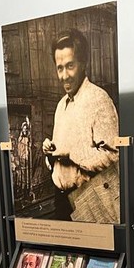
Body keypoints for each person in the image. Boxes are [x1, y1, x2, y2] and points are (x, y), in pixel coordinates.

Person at [41, 29, 121, 223]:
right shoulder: (61, 105)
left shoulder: (99, 98)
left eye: (70, 66)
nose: (64, 76)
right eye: (60, 68)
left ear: (83, 63)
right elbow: (59, 155)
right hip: (61, 201)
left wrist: (72, 154)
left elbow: (113, 154)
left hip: (89, 200)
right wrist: (50, 153)